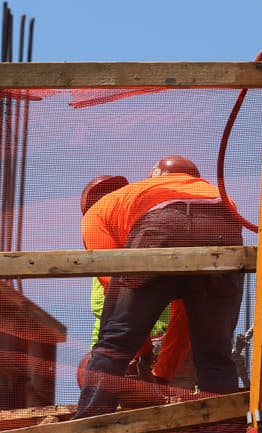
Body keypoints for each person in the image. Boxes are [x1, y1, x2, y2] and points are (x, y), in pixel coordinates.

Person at [75, 155, 243, 418]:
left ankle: (87, 431)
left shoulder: (97, 213)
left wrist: (139, 354)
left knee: (113, 344)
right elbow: (185, 311)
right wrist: (161, 373)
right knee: (215, 356)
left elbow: (116, 285)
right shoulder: (194, 189)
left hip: (162, 225)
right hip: (223, 219)